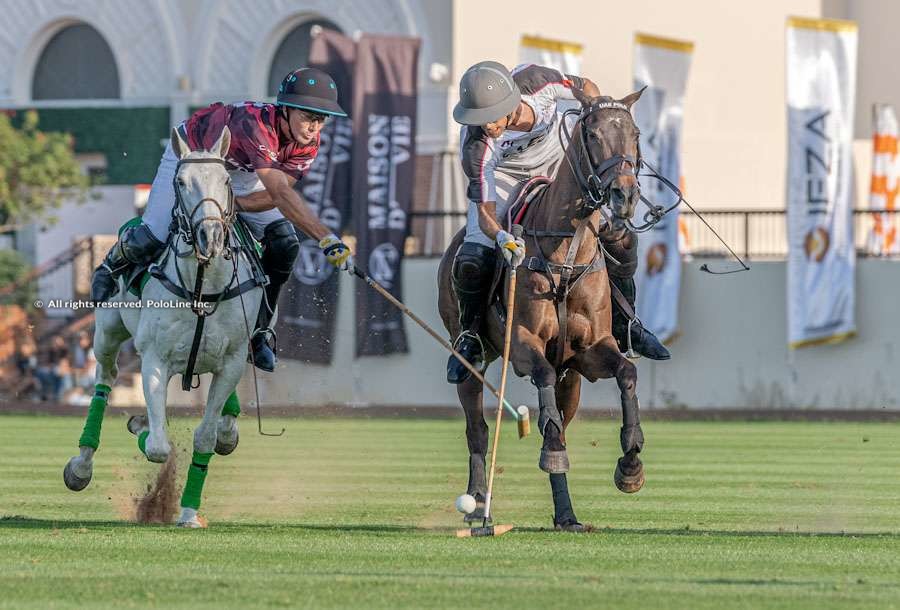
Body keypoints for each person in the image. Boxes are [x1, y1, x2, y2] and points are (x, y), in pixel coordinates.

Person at [89, 67, 354, 372]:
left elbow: (276, 195)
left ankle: (259, 333)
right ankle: (111, 265)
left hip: (245, 173)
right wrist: (327, 238)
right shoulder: (256, 125)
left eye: (321, 119)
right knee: (154, 235)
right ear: (286, 109)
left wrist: (232, 205)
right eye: (308, 116)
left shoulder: (307, 142)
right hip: (193, 156)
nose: (314, 126)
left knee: (284, 244)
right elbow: (280, 193)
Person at [446, 61, 670, 384]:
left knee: (619, 238)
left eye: (488, 118)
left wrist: (600, 113)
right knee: (472, 256)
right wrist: (501, 238)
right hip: (504, 175)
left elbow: (589, 89)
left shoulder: (540, 82)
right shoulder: (476, 146)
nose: (484, 126)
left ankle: (626, 325)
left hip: (555, 159)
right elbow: (485, 213)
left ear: (508, 105)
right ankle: (470, 337)